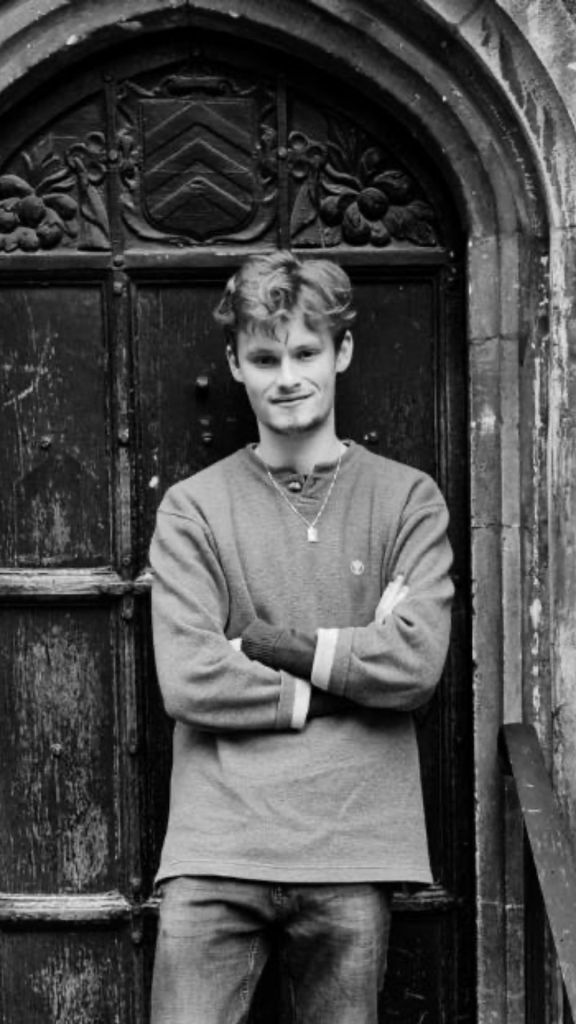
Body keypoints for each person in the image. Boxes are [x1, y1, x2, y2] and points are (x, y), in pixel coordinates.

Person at [149, 251, 454, 1024]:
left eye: (305, 353)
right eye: (265, 358)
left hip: (352, 844)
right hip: (216, 848)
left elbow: (416, 665)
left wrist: (269, 645)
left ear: (341, 352)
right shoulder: (192, 508)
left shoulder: (408, 500)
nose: (287, 376)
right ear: (236, 366)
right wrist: (352, 669)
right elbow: (189, 677)